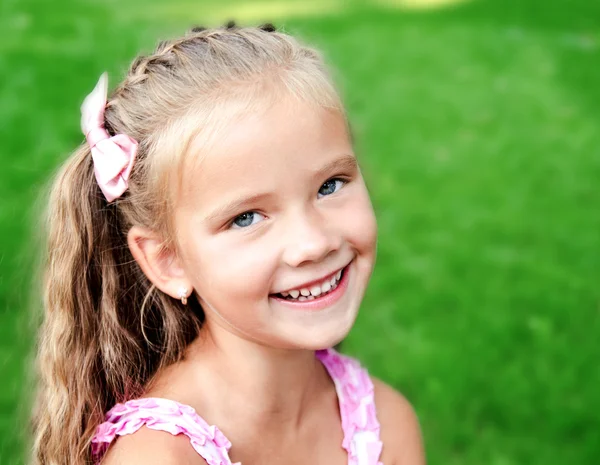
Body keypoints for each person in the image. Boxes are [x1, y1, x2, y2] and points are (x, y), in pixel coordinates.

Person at [31, 22, 425, 465]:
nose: (313, 243)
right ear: (168, 261)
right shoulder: (159, 457)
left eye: (330, 185)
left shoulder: (385, 426)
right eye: (246, 218)